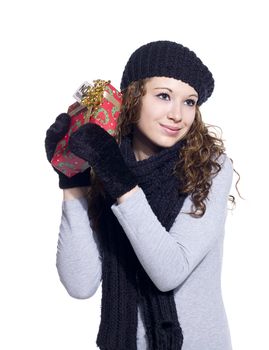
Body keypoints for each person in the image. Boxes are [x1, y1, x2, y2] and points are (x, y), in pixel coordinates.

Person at [45, 40, 238, 350]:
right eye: (163, 96)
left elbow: (169, 271)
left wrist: (117, 178)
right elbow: (80, 284)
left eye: (189, 102)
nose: (177, 114)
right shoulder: (106, 160)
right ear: (133, 96)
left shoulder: (210, 167)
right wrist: (73, 178)